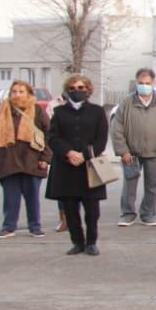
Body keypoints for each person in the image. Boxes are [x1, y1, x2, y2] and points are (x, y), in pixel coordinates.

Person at [46, 75, 109, 256]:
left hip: (89, 166)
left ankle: (91, 242)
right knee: (71, 210)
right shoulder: (59, 112)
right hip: (66, 167)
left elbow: (101, 139)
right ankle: (77, 242)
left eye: (81, 87)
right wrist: (68, 152)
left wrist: (85, 154)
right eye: (73, 88)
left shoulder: (97, 111)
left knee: (92, 211)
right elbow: (53, 138)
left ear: (88, 90)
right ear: (68, 90)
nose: (77, 90)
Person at [112, 68, 156, 227]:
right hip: (131, 153)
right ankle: (127, 214)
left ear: (153, 83)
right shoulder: (126, 103)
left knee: (152, 184)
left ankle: (148, 214)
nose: (144, 86)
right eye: (141, 83)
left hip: (154, 152)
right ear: (136, 83)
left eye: (147, 83)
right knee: (130, 184)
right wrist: (123, 151)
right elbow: (117, 129)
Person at [0, 80, 52, 238]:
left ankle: (35, 226)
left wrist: (45, 158)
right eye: (14, 91)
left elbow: (50, 134)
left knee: (32, 197)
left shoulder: (37, 110)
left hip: (32, 161)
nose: (17, 94)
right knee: (10, 197)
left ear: (28, 93)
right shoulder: (0, 110)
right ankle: (8, 227)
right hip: (7, 160)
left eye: (21, 91)